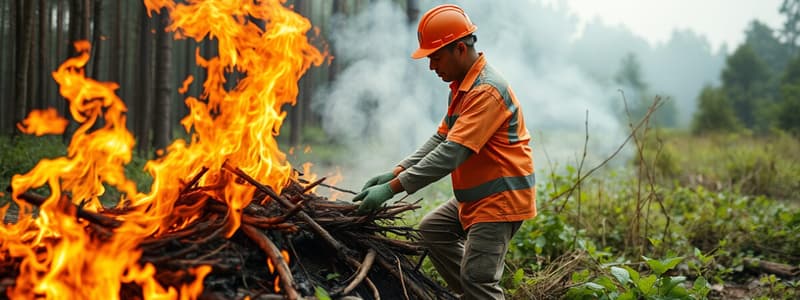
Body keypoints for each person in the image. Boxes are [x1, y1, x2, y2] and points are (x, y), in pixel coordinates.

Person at [352, 4, 536, 299]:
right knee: (433, 231)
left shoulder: (485, 91)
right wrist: (396, 171)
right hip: (476, 197)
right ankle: (473, 294)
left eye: (435, 57)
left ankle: (478, 291)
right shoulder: (462, 86)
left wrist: (391, 189)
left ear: (460, 49)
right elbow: (440, 138)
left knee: (479, 278)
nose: (431, 66)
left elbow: (451, 153)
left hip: (500, 199)